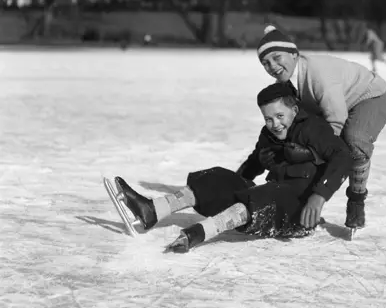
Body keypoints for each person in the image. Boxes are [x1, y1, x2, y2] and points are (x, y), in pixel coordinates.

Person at [107, 82, 353, 253]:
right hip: (270, 199)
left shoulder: (313, 128)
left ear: (294, 110)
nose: (274, 124)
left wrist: (319, 196)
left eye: (279, 116)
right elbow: (253, 165)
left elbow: (343, 156)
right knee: (217, 177)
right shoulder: (268, 135)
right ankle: (152, 210)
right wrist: (224, 188)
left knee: (261, 195)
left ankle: (196, 234)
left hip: (298, 213)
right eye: (268, 118)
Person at [256, 25, 386, 231]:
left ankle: (356, 199)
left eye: (277, 58)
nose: (272, 66)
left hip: (369, 96)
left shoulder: (318, 75)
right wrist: (272, 154)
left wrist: (313, 155)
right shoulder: (285, 87)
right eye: (266, 63)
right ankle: (296, 202)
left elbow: (334, 122)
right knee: (300, 144)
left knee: (353, 141)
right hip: (338, 103)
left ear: (294, 54)